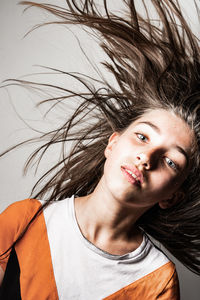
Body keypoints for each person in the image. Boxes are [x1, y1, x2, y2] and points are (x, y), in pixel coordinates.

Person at [0, 0, 200, 299]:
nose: (146, 158)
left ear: (172, 196)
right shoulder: (26, 219)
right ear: (113, 143)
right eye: (143, 137)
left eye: (171, 162)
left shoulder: (157, 280)